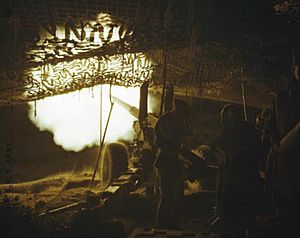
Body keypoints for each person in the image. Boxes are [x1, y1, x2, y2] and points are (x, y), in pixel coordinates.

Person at [212, 104, 264, 237]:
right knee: (233, 207)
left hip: (243, 172)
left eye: (234, 114)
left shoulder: (248, 129)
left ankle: (244, 229)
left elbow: (255, 148)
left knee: (244, 205)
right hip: (233, 170)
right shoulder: (229, 129)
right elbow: (220, 145)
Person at [267, 48, 300, 229]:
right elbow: (271, 127)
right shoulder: (280, 98)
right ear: (294, 69)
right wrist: (275, 144)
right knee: (283, 193)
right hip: (283, 155)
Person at [154, 99, 190, 229]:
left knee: (176, 194)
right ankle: (162, 224)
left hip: (173, 161)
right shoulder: (167, 120)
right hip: (166, 161)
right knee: (167, 195)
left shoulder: (177, 120)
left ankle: (172, 222)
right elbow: (173, 138)